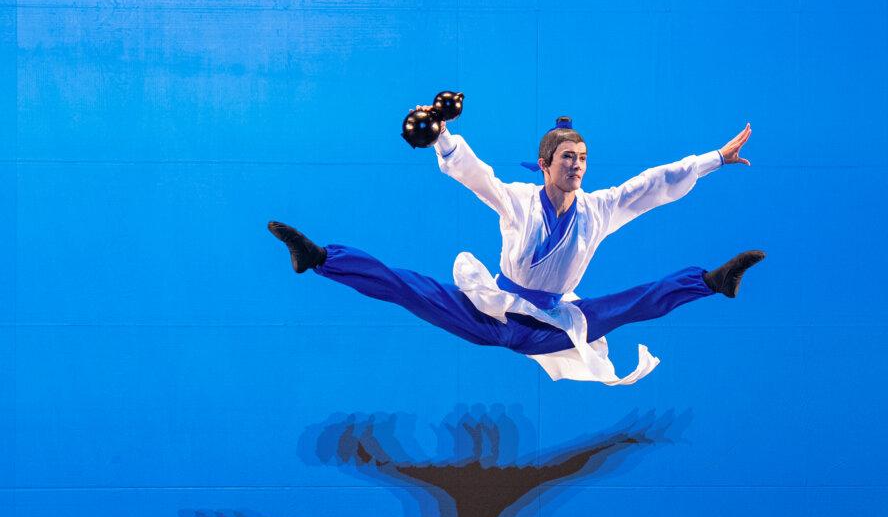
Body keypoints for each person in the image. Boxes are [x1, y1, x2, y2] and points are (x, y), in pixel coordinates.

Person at [268, 111, 764, 385]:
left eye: (583, 158)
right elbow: (476, 174)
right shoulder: (518, 201)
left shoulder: (599, 209)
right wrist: (442, 137)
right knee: (407, 287)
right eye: (568, 157)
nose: (578, 166)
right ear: (545, 164)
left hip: (550, 325)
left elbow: (654, 184)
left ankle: (713, 281)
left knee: (630, 304)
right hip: (494, 311)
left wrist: (715, 160)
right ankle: (320, 258)